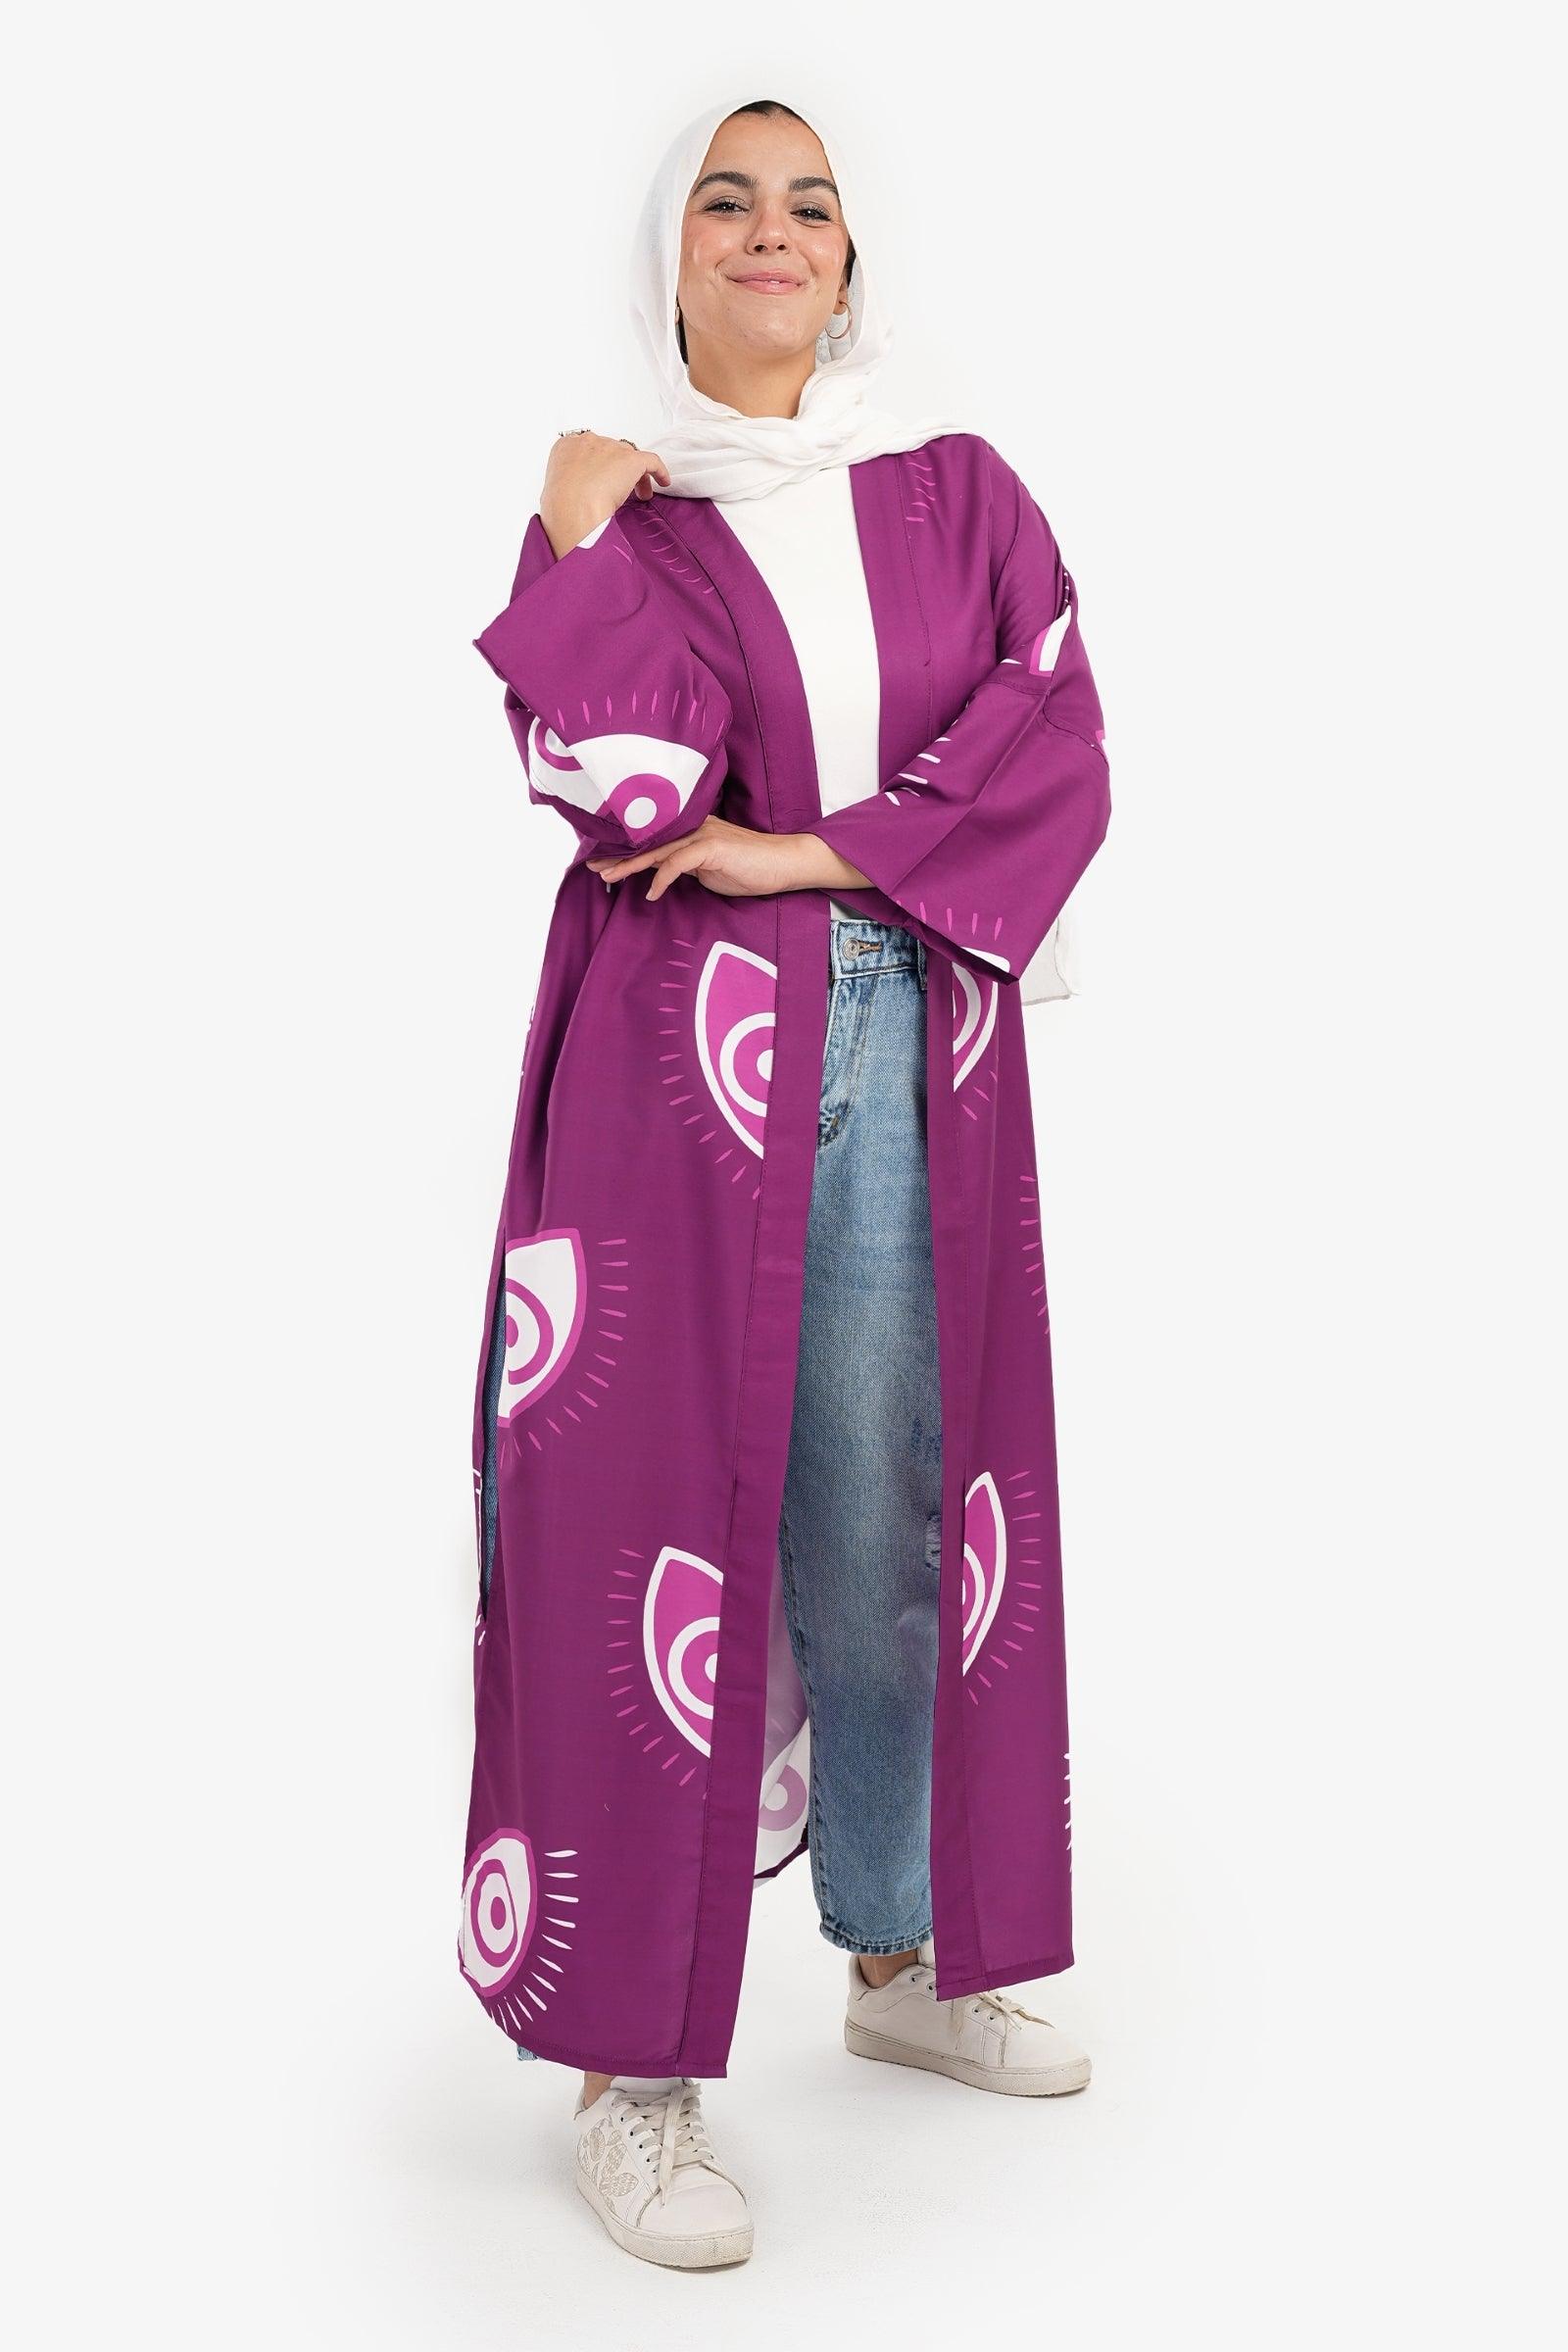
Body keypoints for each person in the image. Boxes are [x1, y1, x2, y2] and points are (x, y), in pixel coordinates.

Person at [461, 90, 1112, 2270]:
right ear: (668, 259)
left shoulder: (958, 492)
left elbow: (1048, 738)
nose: (771, 231)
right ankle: (623, 2074)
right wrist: (568, 542)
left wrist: (797, 850)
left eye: (808, 204)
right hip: (678, 1079)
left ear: (851, 260)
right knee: (642, 1528)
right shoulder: (629, 514)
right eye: (724, 202)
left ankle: (899, 1953)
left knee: (897, 1508)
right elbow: (627, 784)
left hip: (911, 1050)